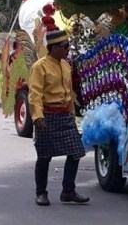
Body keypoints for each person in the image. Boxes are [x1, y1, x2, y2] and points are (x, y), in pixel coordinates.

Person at [28, 29, 89, 206]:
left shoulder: (66, 65)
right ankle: (41, 193)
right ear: (53, 48)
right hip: (47, 115)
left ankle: (68, 191)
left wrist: (72, 112)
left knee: (76, 152)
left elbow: (69, 92)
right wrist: (37, 117)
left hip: (65, 115)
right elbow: (35, 94)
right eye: (65, 46)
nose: (68, 49)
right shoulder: (39, 67)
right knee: (44, 156)